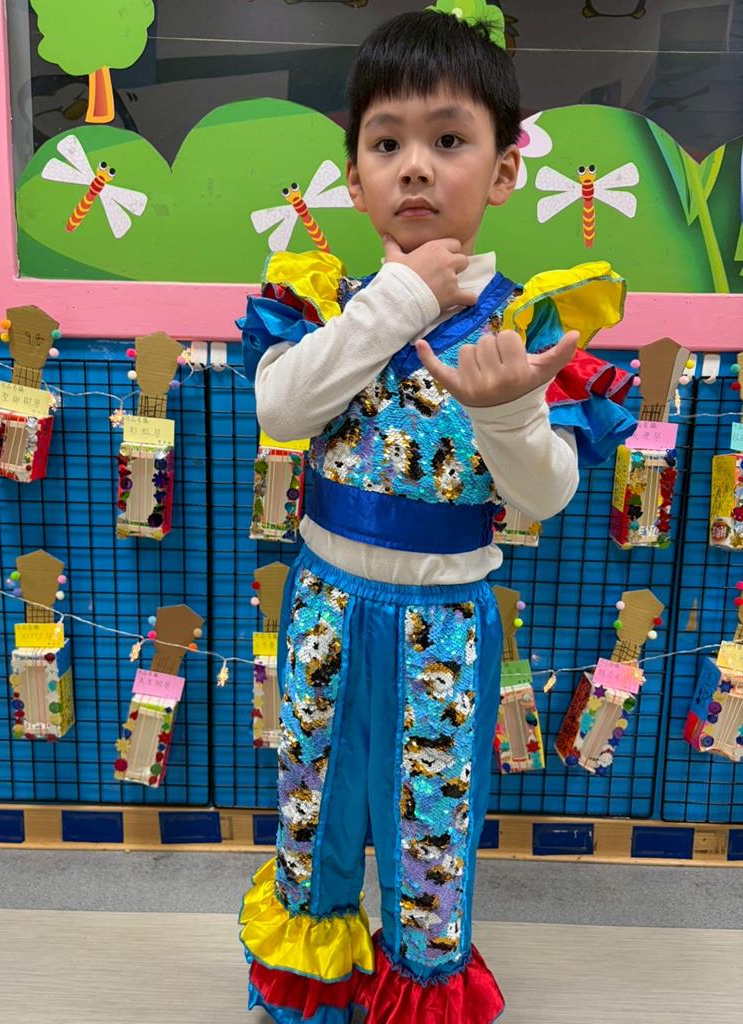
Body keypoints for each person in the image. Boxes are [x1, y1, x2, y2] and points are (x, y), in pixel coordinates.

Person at [237, 3, 635, 1021]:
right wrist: (400, 300)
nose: (414, 167)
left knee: (431, 835)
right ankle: (310, 988)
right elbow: (281, 409)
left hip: (445, 626)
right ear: (354, 174)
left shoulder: (526, 326)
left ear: (502, 170)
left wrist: (504, 410)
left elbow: (545, 493)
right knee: (311, 810)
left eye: (448, 140)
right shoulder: (327, 302)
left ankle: (420, 983)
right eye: (387, 144)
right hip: (325, 608)